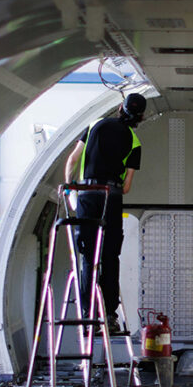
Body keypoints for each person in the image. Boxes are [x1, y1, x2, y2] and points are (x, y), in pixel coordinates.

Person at [64, 93, 145, 332]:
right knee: (110, 257)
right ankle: (109, 314)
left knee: (89, 256)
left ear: (120, 107)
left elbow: (72, 160)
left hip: (87, 194)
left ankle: (88, 313)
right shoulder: (134, 141)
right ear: (139, 117)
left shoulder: (94, 125)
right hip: (112, 197)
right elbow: (127, 187)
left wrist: (70, 190)